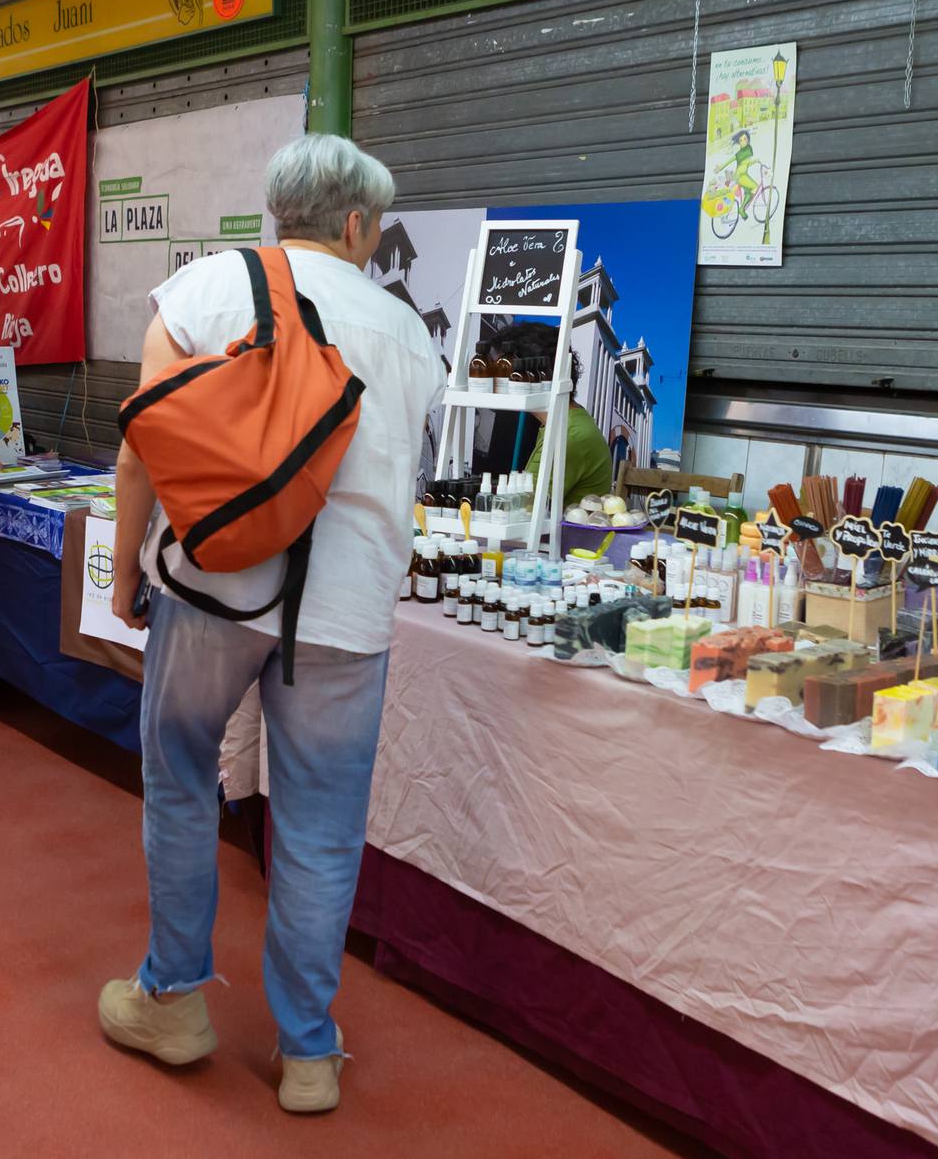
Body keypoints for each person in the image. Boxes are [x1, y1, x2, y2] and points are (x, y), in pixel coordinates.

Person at [98, 135, 443, 1114]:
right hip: (347, 619)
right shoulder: (407, 331)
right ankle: (309, 1053)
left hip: (213, 588)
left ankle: (171, 1000)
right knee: (323, 828)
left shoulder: (204, 291)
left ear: (275, 213)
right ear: (357, 225)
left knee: (179, 779)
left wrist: (126, 571)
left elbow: (141, 450)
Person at [496, 328, 613, 502]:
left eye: (502, 368)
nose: (494, 378)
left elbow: (520, 508)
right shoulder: (566, 423)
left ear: (527, 374)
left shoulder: (569, 436)